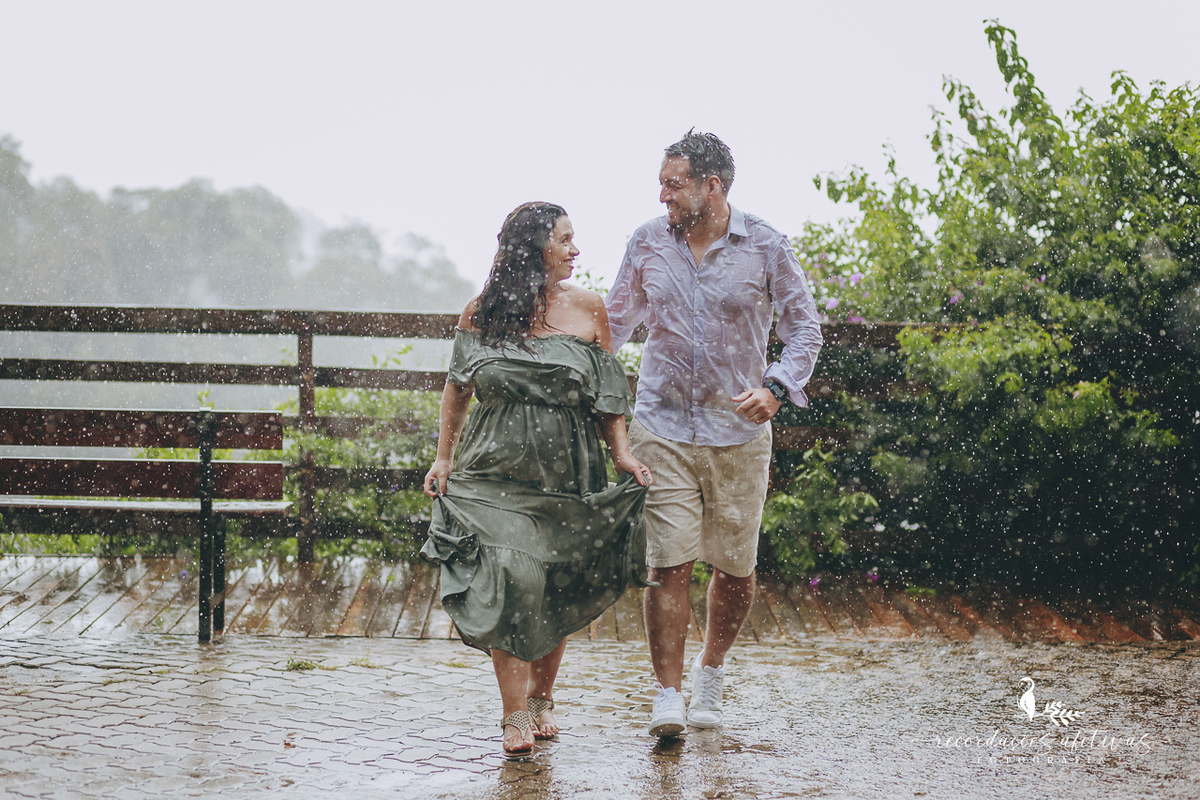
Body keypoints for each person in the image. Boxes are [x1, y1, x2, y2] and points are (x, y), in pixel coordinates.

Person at [605, 131, 823, 736]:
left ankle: (711, 672)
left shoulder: (767, 247)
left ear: (713, 186)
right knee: (667, 564)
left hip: (739, 433)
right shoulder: (647, 242)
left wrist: (776, 388)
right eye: (663, 182)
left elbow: (806, 329)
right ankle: (667, 693)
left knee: (734, 567)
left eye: (674, 183)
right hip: (662, 427)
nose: (662, 193)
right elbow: (614, 324)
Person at [421, 201, 654, 758]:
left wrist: (620, 452)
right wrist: (443, 459)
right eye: (565, 240)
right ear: (534, 248)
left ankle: (543, 696)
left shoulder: (590, 309)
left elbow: (608, 392)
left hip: (568, 469)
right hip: (493, 470)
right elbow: (458, 387)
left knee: (556, 581)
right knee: (512, 577)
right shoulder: (482, 311)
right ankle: (513, 712)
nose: (576, 250)